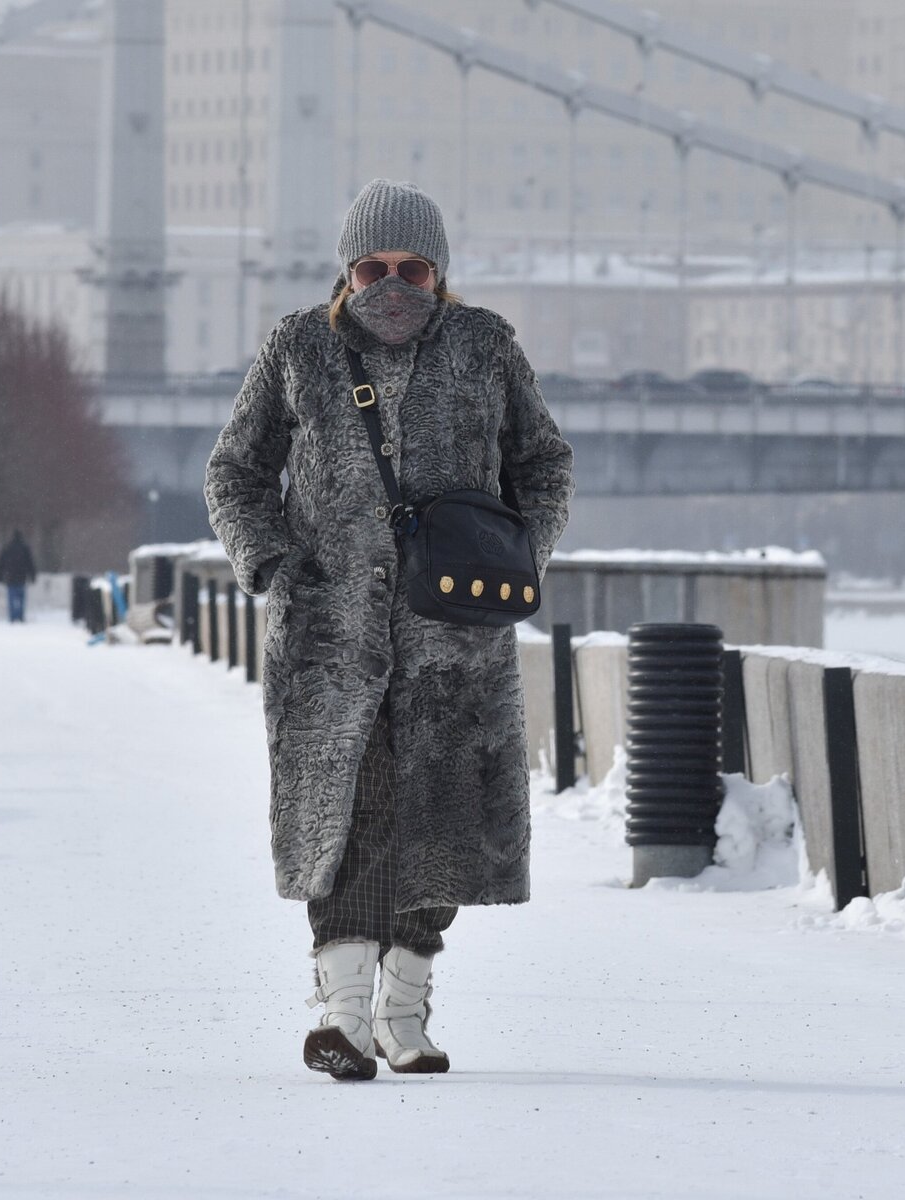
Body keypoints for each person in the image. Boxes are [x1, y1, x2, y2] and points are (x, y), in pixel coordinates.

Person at [204, 178, 574, 1081]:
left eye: (412, 267)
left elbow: (543, 464)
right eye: (372, 266)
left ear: (440, 272)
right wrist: (274, 565)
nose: (391, 284)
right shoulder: (299, 347)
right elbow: (234, 471)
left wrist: (519, 558)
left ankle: (404, 1016)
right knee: (348, 825)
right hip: (329, 642)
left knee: (439, 832)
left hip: (457, 642)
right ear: (346, 269)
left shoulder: (487, 348)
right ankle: (343, 1022)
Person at [0, 529, 37, 623]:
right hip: (22, 577)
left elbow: (1, 563)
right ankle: (20, 616)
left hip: (10, 577)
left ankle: (13, 617)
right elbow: (30, 563)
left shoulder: (8, 548)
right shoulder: (25, 548)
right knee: (21, 598)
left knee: (11, 598)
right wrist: (32, 576)